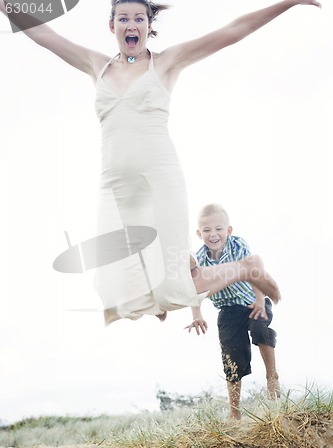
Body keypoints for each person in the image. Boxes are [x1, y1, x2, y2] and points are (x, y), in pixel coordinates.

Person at [0, 0, 320, 325]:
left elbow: (232, 31)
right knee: (120, 297)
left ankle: (245, 267)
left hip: (159, 183)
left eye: (139, 18)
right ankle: (173, 283)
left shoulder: (166, 63)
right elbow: (42, 33)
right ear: (112, 26)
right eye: (123, 18)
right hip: (115, 190)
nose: (131, 25)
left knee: (173, 287)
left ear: (148, 26)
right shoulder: (96, 65)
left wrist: (288, 3)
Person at [186, 204, 280, 420]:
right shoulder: (199, 258)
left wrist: (259, 300)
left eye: (218, 229)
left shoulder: (238, 245)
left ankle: (271, 376)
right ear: (199, 234)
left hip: (252, 301)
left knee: (260, 329)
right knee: (232, 355)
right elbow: (191, 287)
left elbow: (253, 271)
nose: (213, 234)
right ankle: (234, 412)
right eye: (207, 230)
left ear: (228, 230)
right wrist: (196, 314)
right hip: (228, 310)